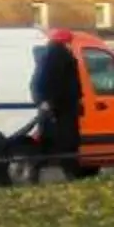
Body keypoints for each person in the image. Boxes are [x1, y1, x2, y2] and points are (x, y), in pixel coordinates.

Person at [25, 31, 85, 183]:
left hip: (56, 107)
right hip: (61, 108)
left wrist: (42, 100)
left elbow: (37, 83)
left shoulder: (49, 56)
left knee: (51, 143)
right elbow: (58, 83)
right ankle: (71, 175)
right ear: (64, 42)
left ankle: (37, 171)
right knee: (66, 143)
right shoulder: (58, 56)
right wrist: (48, 101)